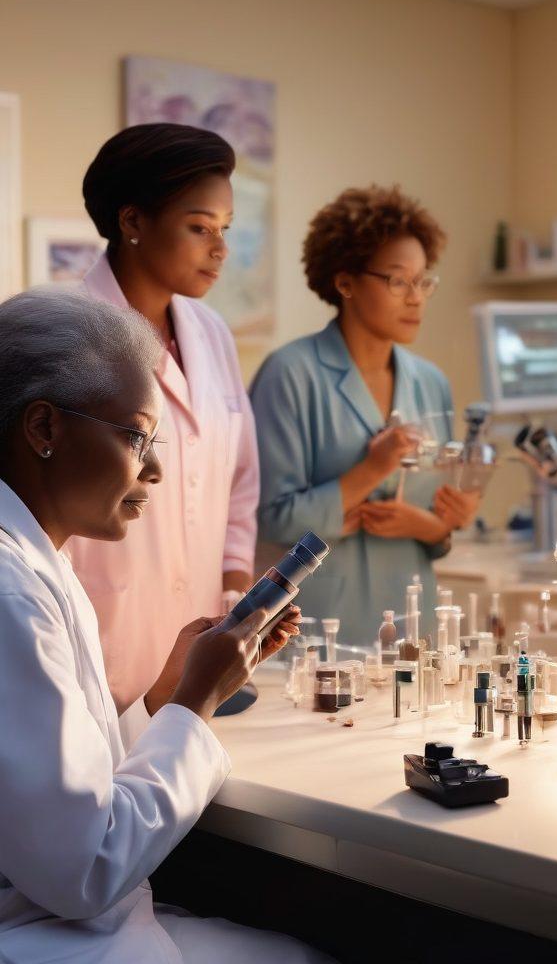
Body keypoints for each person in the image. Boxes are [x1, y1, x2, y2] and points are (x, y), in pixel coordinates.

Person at [0, 290, 329, 963]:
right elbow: (86, 867)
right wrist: (194, 703)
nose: (154, 469)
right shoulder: (11, 592)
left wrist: (161, 696)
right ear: (43, 429)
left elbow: (57, 784)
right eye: (136, 436)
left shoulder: (38, 562)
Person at [66, 123, 259, 717]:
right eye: (200, 228)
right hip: (100, 643)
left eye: (224, 230)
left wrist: (233, 585)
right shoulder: (67, 332)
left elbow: (240, 480)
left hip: (198, 657)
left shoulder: (211, 333)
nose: (219, 249)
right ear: (133, 222)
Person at [250, 185, 479, 644]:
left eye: (424, 281)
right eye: (398, 281)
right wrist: (371, 470)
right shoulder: (289, 375)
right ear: (345, 282)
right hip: (318, 629)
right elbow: (272, 519)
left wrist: (441, 525)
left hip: (414, 625)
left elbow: (432, 519)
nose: (416, 298)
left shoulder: (430, 382)